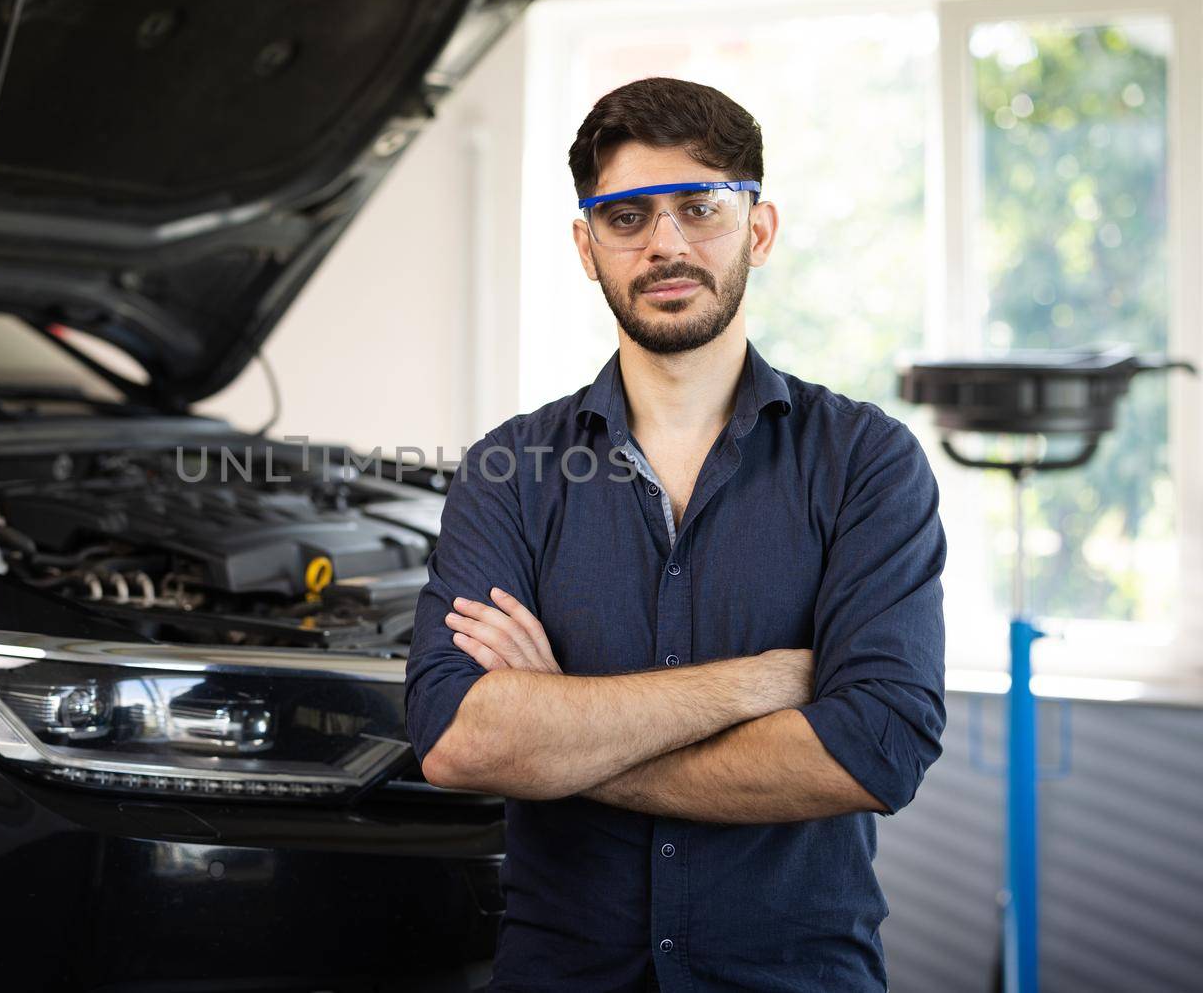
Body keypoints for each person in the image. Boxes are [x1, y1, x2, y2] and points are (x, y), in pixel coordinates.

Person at [404, 76, 947, 991]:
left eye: (700, 207)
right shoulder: (508, 469)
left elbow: (877, 746)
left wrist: (561, 733)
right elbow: (459, 739)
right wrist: (767, 680)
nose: (665, 244)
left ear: (759, 230)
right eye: (626, 218)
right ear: (588, 246)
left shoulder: (867, 461)